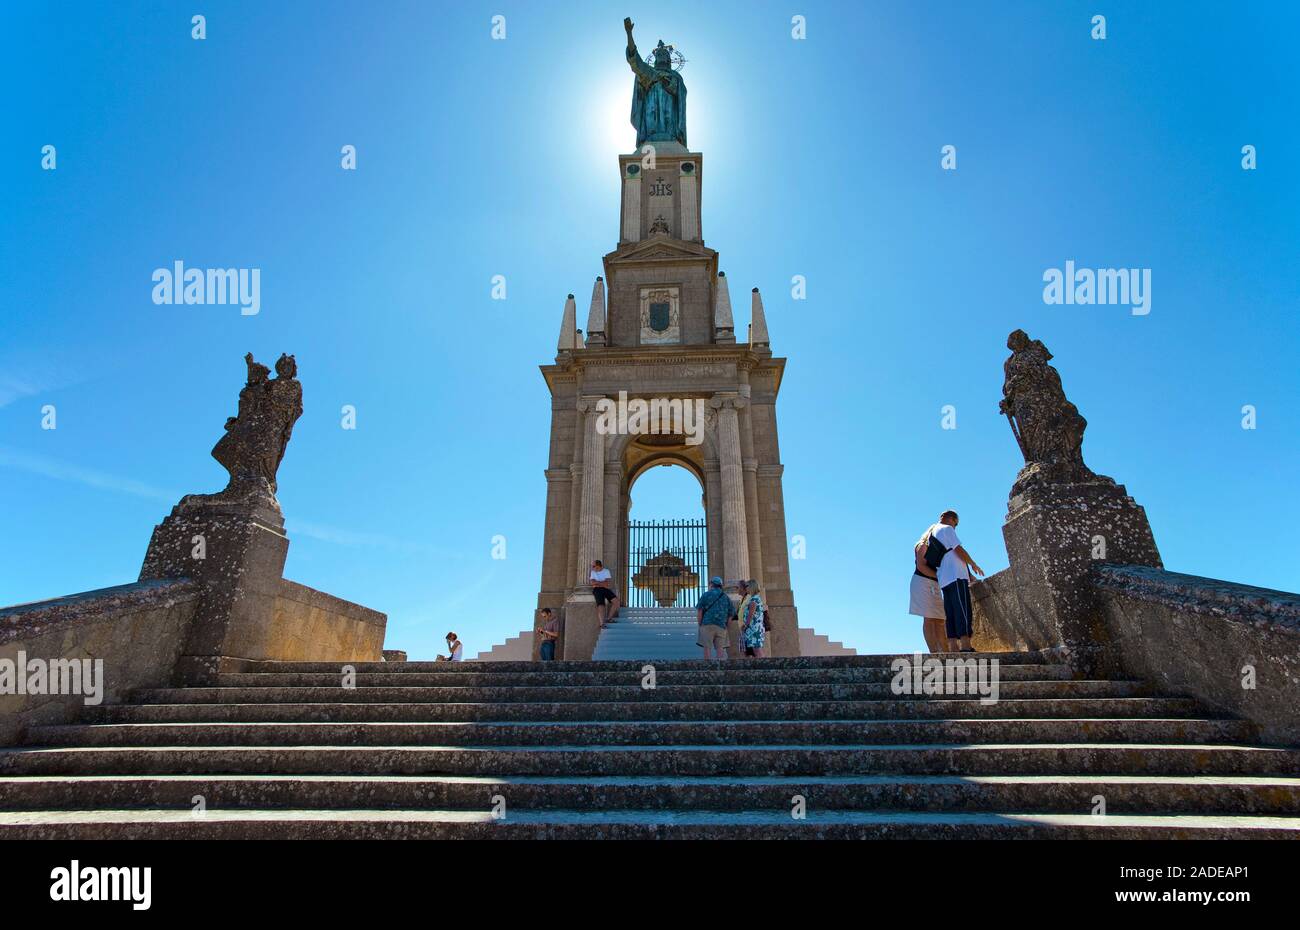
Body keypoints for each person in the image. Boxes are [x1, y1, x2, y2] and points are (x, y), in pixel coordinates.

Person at [929, 511, 985, 652]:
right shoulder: (947, 529)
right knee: (962, 609)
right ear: (952, 519)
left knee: (951, 612)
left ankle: (953, 646)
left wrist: (969, 573)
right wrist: (973, 563)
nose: (955, 527)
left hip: (944, 577)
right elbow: (958, 550)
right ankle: (966, 645)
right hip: (956, 575)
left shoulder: (933, 533)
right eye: (956, 524)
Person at [909, 525, 948, 652]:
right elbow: (921, 566)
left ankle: (945, 650)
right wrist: (940, 577)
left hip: (934, 584)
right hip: (923, 583)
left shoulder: (937, 549)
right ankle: (934, 651)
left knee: (940, 619)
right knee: (929, 618)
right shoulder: (922, 545)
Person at [695, 576, 732, 660]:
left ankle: (708, 666)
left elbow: (700, 610)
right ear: (721, 585)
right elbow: (731, 614)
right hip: (721, 625)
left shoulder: (706, 595)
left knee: (707, 647)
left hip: (707, 624)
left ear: (711, 584)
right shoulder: (725, 597)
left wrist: (700, 623)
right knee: (720, 648)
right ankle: (719, 667)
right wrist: (727, 626)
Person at [738, 579, 767, 658]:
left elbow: (750, 614)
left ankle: (764, 666)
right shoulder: (755, 598)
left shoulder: (754, 600)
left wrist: (745, 625)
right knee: (755, 649)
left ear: (751, 587)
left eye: (747, 586)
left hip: (754, 629)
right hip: (754, 628)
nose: (746, 587)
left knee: (757, 649)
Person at [590, 559, 621, 628]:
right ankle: (602, 624)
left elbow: (607, 584)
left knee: (616, 602)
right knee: (601, 606)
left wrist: (597, 582)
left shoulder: (606, 571)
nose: (592, 568)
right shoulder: (593, 572)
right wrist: (601, 583)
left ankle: (609, 618)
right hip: (597, 590)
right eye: (592, 566)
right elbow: (592, 583)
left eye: (593, 566)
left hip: (606, 589)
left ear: (598, 566)